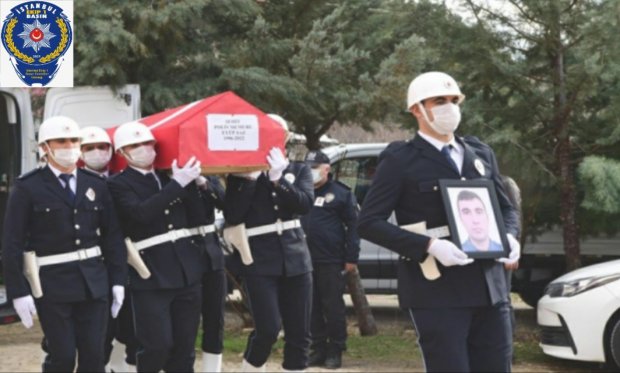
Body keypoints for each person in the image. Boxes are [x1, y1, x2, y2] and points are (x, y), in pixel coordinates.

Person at [357, 71, 521, 372]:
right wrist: (429, 245)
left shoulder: (480, 153)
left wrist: (510, 236)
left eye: (453, 100)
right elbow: (369, 222)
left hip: (490, 287)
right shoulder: (400, 159)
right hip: (437, 290)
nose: (450, 107)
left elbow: (506, 208)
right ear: (417, 110)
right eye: (439, 101)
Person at [2, 116, 127, 372]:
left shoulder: (96, 184)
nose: (69, 146)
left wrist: (118, 280)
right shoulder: (27, 187)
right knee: (63, 357)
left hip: (94, 282)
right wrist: (18, 291)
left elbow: (112, 236)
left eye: (74, 140)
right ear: (45, 147)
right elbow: (12, 243)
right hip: (52, 285)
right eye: (61, 141)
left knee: (94, 357)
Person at [107, 121, 206, 372]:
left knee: (185, 349)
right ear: (122, 153)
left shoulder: (169, 175)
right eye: (134, 145)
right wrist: (177, 185)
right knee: (156, 346)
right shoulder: (118, 184)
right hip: (150, 274)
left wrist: (196, 185)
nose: (143, 149)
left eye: (147, 143)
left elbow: (200, 217)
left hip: (186, 271)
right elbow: (140, 214)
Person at [224, 113, 314, 372]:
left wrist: (279, 180)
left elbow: (304, 204)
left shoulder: (298, 169)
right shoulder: (241, 176)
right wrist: (251, 179)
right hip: (259, 260)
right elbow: (233, 215)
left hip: (296, 257)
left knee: (299, 331)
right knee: (268, 328)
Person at [81, 126, 140, 372]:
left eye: (103, 147)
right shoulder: (74, 182)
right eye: (90, 148)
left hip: (131, 262)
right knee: (98, 332)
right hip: (91, 265)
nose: (97, 152)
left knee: (132, 328)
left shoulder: (124, 179)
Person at [300, 150, 360, 369]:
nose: (311, 172)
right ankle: (318, 348)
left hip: (331, 259)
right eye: (308, 167)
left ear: (327, 169)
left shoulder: (341, 193)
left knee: (332, 307)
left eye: (315, 168)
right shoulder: (301, 191)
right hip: (304, 259)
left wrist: (351, 257)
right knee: (311, 306)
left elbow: (354, 227)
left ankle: (335, 349)